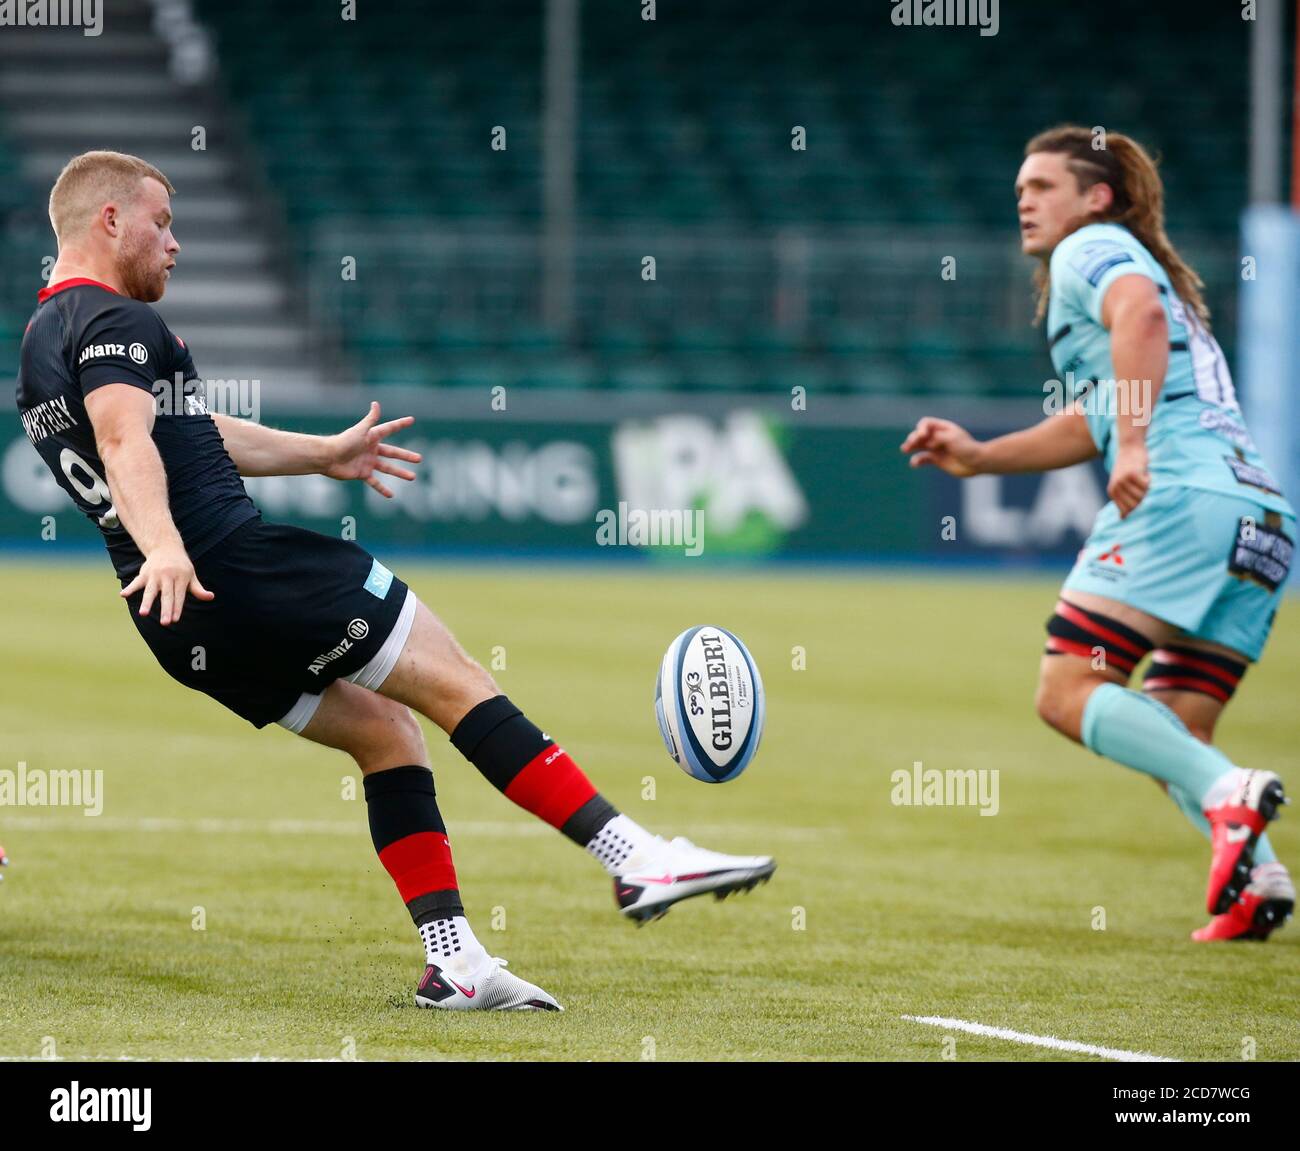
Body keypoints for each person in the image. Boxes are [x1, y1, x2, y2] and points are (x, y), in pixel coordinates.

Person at [15, 150, 775, 1011]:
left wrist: (321, 454)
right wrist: (166, 543)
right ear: (109, 221)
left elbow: (185, 430)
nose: (176, 243)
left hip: (179, 626)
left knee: (387, 736)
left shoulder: (46, 343)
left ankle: (454, 960)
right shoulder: (118, 321)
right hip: (238, 569)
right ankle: (636, 857)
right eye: (161, 221)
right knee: (459, 683)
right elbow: (125, 444)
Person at [901, 126, 1293, 942]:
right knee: (1174, 729)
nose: (1026, 201)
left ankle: (1229, 792)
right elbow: (1097, 415)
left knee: (1067, 688)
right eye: (1020, 190)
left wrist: (1140, 442)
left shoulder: (1094, 250)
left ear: (1097, 196)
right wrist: (980, 455)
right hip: (1259, 518)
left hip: (1180, 496)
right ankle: (1257, 880)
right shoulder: (1143, 273)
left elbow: (1138, 321)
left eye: (1043, 186)